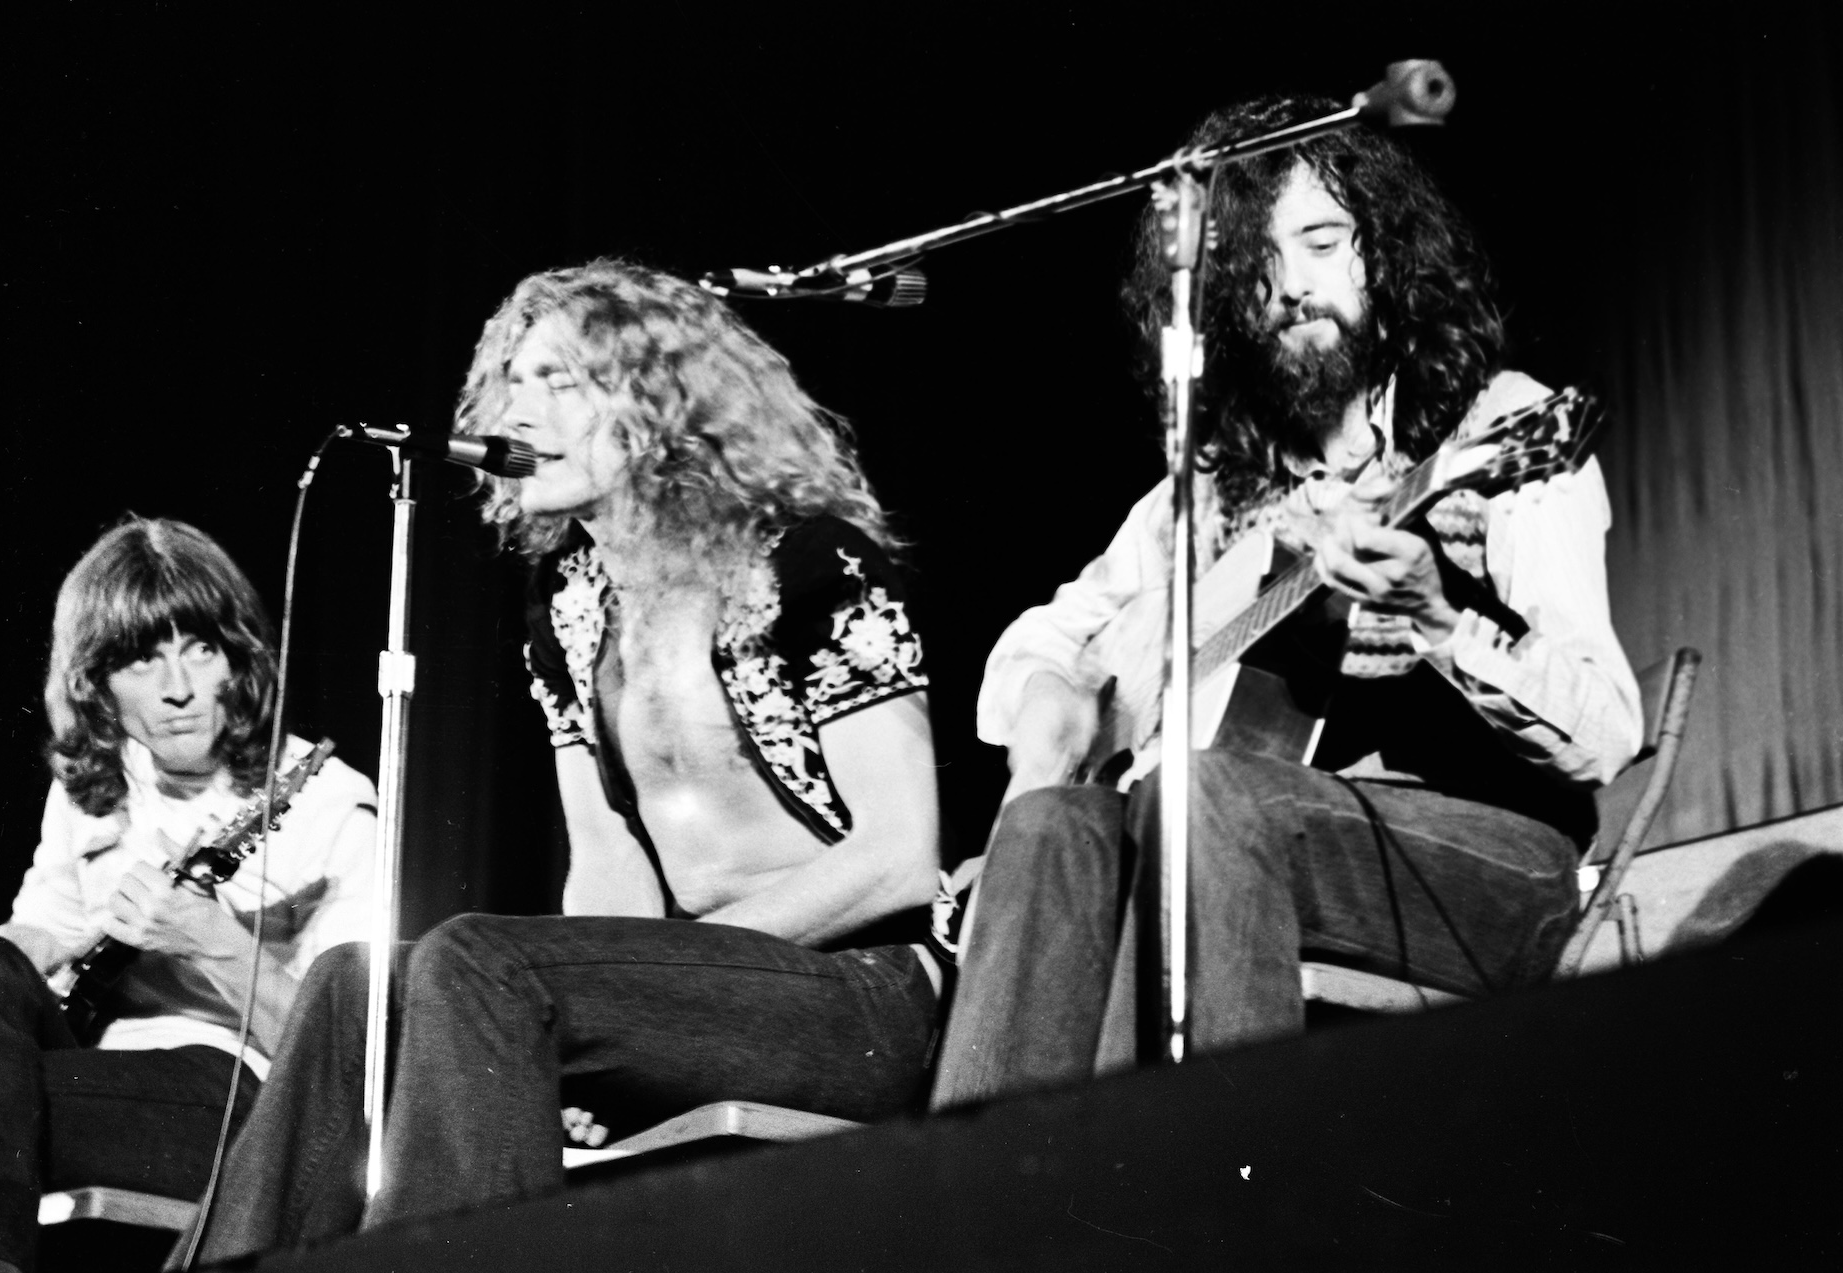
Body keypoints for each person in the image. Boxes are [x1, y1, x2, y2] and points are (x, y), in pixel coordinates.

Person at [184, 260, 944, 1261]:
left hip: (861, 999)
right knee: (350, 987)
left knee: (476, 960)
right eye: (510, 378)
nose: (519, 409)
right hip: (692, 996)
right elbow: (609, 875)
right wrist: (602, 1019)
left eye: (562, 381)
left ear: (659, 399)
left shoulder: (808, 559)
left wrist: (627, 990)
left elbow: (898, 854)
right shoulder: (572, 611)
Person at [931, 96, 1644, 1107]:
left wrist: (1438, 620)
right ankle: (981, 1208)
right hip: (1243, 839)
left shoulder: (1498, 428)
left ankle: (1206, 1197)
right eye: (1253, 263)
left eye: (1321, 241)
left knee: (1208, 796)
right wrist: (1053, 705)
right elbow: (1038, 651)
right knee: (1052, 826)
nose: (1291, 286)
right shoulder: (1216, 493)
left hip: (1491, 864)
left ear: (1382, 253)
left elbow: (1605, 730)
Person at [0, 518, 377, 1273]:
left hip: (232, 1100)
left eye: (200, 649)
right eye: (141, 659)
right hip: (86, 1069)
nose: (177, 689)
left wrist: (213, 939)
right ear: (94, 683)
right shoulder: (99, 784)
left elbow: (352, 1062)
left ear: (242, 657)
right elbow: (41, 926)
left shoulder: (331, 802)